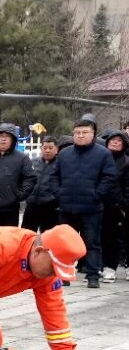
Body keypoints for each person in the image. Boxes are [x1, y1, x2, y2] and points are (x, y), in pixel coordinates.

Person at [51, 114, 118, 289]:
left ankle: (93, 275)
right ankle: (63, 275)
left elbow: (109, 178)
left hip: (92, 207)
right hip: (67, 207)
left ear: (93, 133)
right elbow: (54, 176)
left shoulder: (103, 154)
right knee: (65, 243)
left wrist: (97, 194)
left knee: (92, 243)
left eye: (84, 132)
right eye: (77, 132)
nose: (80, 135)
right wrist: (59, 194)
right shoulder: (64, 154)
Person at [100, 130, 129, 282]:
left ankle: (111, 268)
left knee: (115, 238)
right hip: (100, 204)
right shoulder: (100, 159)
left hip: (118, 207)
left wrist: (123, 204)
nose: (115, 142)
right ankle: (101, 266)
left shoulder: (126, 162)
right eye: (113, 140)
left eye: (119, 140)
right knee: (101, 237)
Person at [23, 135, 61, 232]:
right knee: (27, 235)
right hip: (31, 207)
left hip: (51, 209)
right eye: (45, 148)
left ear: (56, 149)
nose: (47, 150)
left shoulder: (60, 164)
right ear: (41, 148)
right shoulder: (33, 162)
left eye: (50, 148)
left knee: (48, 238)